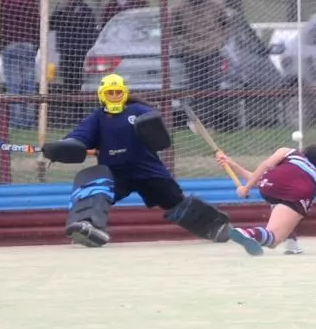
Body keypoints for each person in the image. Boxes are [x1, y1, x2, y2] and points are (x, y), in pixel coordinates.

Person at [44, 73, 232, 248]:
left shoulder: (138, 110)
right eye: (110, 92)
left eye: (118, 92)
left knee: (174, 200)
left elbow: (157, 131)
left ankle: (213, 226)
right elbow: (79, 138)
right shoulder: (97, 118)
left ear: (125, 93)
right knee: (96, 193)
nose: (115, 96)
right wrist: (63, 147)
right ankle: (87, 227)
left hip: (148, 170)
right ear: (102, 95)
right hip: (116, 173)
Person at [214, 142, 316, 256]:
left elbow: (263, 170)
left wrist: (235, 169)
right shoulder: (311, 177)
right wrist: (246, 187)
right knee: (274, 239)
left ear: (304, 152)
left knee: (276, 202)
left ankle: (259, 235)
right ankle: (252, 233)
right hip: (301, 191)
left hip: (271, 186)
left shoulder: (288, 152)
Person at [169, 0, 230, 121]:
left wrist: (220, 41)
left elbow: (227, 26)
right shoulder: (179, 8)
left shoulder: (216, 6)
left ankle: (209, 119)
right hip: (191, 54)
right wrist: (182, 46)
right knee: (195, 87)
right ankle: (198, 121)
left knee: (213, 84)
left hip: (211, 52)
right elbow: (173, 32)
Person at [49, 0, 98, 123]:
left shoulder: (85, 9)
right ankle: (70, 115)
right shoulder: (60, 9)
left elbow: (91, 31)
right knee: (67, 84)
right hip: (65, 53)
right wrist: (60, 9)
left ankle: (79, 115)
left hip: (80, 53)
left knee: (79, 84)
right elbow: (51, 25)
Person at [0, 0, 40, 128]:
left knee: (14, 86)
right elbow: (37, 22)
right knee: (28, 86)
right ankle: (28, 121)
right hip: (28, 46)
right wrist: (36, 44)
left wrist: (0, 43)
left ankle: (16, 122)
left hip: (10, 46)